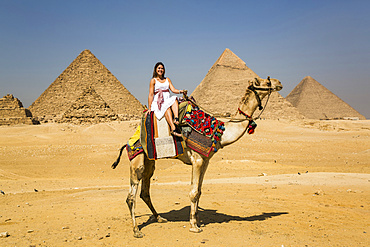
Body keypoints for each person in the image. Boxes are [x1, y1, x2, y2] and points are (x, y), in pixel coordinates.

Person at [147, 62, 184, 137]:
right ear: (156, 69)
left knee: (174, 98)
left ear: (164, 70)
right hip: (158, 102)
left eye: (162, 68)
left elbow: (173, 90)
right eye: (159, 68)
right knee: (166, 108)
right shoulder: (153, 80)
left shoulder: (167, 79)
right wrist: (150, 108)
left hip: (167, 99)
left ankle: (176, 119)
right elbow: (151, 94)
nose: (160, 70)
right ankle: (173, 129)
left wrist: (181, 91)